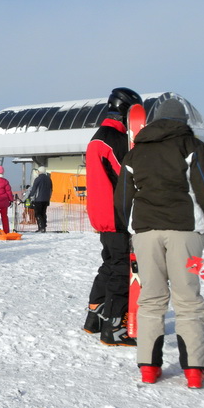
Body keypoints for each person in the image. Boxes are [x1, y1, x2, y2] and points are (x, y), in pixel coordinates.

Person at [116, 97, 204, 388]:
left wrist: (130, 229)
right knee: (188, 300)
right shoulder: (192, 146)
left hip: (145, 233)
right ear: (183, 122)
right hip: (184, 230)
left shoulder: (136, 153)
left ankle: (148, 367)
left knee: (151, 299)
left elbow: (122, 199)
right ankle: (194, 370)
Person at [83, 87, 141, 346]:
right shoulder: (112, 138)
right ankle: (114, 327)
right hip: (116, 212)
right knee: (120, 268)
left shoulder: (98, 135)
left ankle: (94, 316)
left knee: (109, 265)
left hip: (101, 211)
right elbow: (127, 173)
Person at [28, 166, 53, 232]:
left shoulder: (38, 179)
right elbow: (51, 189)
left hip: (38, 199)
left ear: (39, 171)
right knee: (43, 213)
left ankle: (41, 227)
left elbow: (34, 189)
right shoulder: (49, 179)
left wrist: (30, 196)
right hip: (46, 199)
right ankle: (44, 226)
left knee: (38, 213)